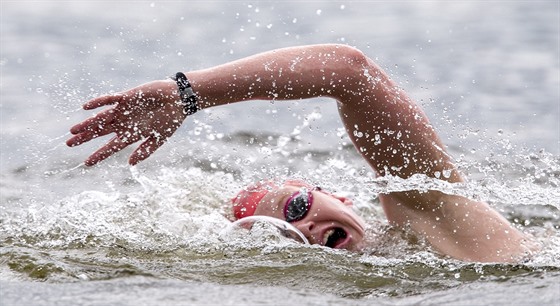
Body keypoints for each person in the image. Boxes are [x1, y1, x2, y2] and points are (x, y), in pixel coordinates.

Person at [67, 44, 537, 263]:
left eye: (295, 208)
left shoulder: (427, 210)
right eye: (282, 235)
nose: (304, 229)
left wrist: (187, 95)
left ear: (340, 199)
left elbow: (348, 71)